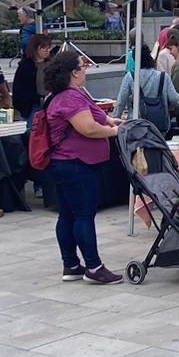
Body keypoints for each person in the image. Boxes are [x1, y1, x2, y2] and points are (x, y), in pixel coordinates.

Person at [40, 51, 123, 285]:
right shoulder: (70, 98)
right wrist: (115, 132)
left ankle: (72, 265)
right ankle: (94, 267)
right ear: (74, 73)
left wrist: (110, 121)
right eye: (82, 65)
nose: (86, 69)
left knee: (68, 214)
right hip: (76, 164)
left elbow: (94, 118)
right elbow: (88, 128)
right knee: (84, 215)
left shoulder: (61, 95)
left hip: (65, 163)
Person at [114, 42, 179, 129]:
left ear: (134, 59)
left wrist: (114, 120)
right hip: (160, 126)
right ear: (149, 56)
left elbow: (120, 102)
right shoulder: (164, 77)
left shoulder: (131, 77)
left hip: (137, 125)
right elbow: (175, 99)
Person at [12, 33, 55, 123]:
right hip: (33, 104)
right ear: (35, 48)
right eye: (44, 48)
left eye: (49, 48)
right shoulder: (25, 66)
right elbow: (20, 89)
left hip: (51, 102)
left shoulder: (52, 64)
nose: (47, 51)